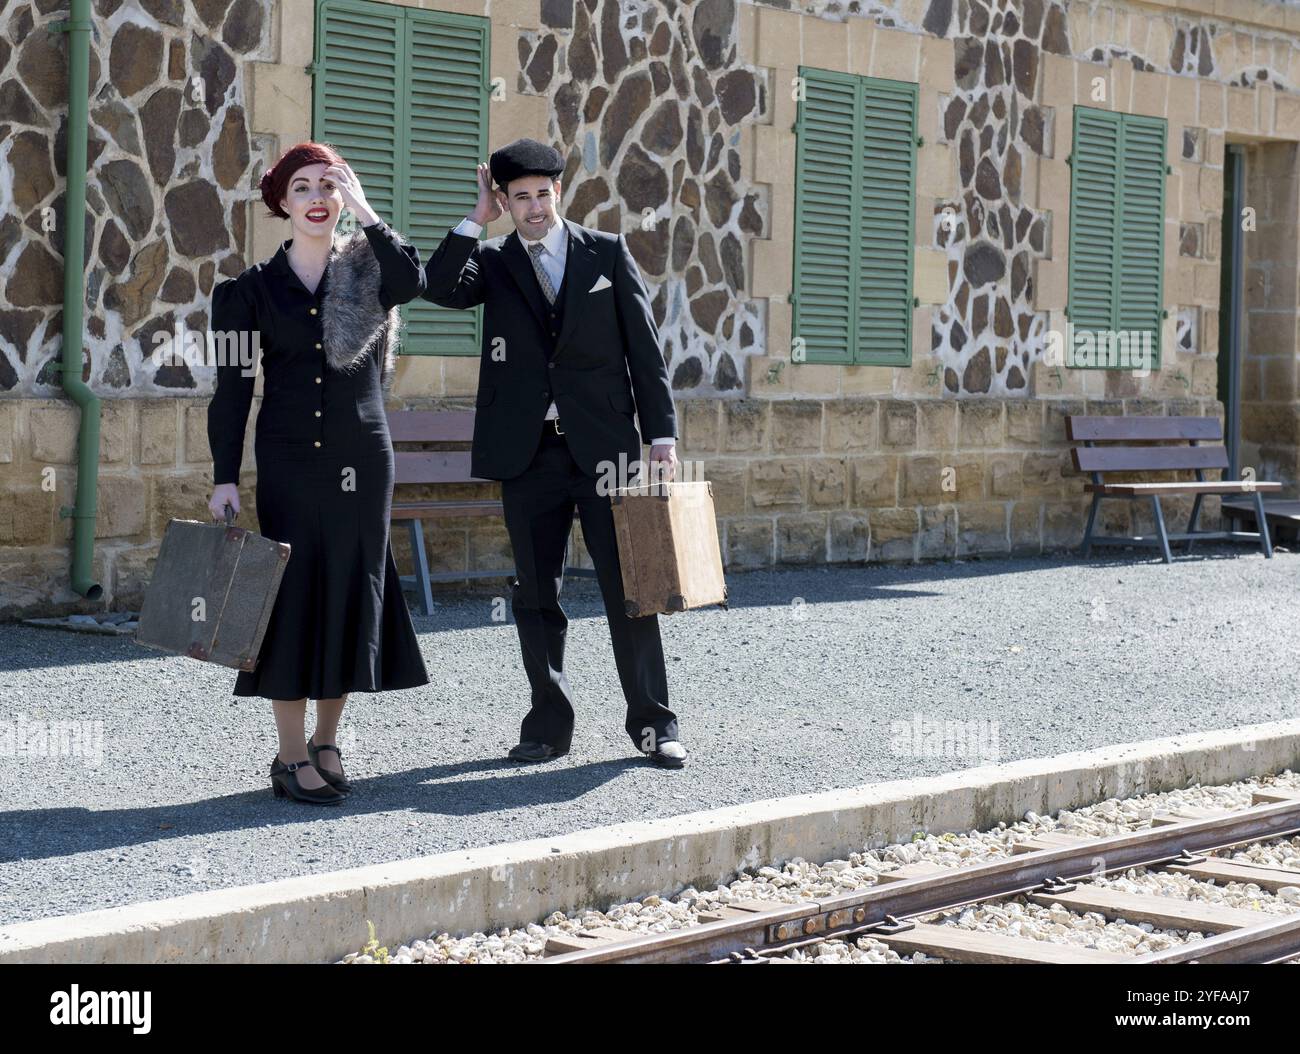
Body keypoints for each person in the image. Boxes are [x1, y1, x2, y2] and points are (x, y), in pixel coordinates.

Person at [422, 138, 686, 769]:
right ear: (503, 200)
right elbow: (433, 285)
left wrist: (663, 437)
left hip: (607, 451)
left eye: (543, 194)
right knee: (536, 593)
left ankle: (654, 724)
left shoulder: (606, 253)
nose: (534, 207)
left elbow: (644, 354)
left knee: (631, 588)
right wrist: (473, 222)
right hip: (529, 454)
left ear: (558, 192)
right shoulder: (492, 262)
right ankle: (547, 728)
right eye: (520, 197)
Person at [206, 141, 430, 804]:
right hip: (289, 464)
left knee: (350, 590)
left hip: (364, 456)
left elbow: (415, 281)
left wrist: (365, 205)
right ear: (282, 201)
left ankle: (328, 741)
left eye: (328, 186)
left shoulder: (368, 274)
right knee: (292, 594)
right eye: (302, 186)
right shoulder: (245, 293)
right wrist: (225, 477)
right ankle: (289, 754)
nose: (317, 198)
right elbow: (232, 390)